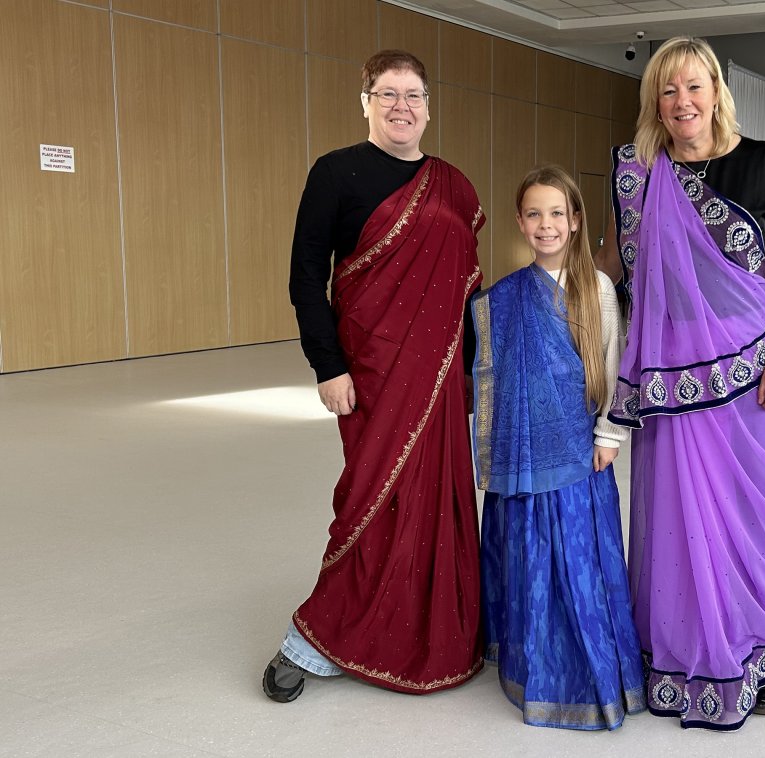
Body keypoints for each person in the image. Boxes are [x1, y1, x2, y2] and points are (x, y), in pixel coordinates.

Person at [594, 36, 765, 731]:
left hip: (747, 372)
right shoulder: (637, 172)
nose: (681, 102)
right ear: (654, 101)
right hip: (665, 373)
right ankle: (673, 650)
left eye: (693, 86)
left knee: (749, 513)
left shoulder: (764, 163)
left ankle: (757, 649)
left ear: (715, 87)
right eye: (667, 90)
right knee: (671, 518)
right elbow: (612, 268)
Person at [262, 50, 486, 702]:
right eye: (386, 94)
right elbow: (307, 278)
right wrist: (326, 365)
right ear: (365, 101)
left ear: (428, 104)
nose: (400, 107)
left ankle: (435, 626)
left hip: (439, 380)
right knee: (369, 499)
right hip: (369, 370)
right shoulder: (335, 173)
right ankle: (322, 636)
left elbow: (471, 293)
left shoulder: (456, 185)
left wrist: (478, 378)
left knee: (434, 502)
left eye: (413, 94)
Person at [470, 165, 646, 730]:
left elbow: (614, 362)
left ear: (575, 221)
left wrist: (609, 434)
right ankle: (529, 658)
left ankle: (589, 667)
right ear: (520, 221)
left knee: (576, 558)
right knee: (530, 553)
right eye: (533, 213)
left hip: (579, 450)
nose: (545, 225)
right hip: (525, 457)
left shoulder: (596, 288)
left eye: (557, 213)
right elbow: (489, 375)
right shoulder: (505, 297)